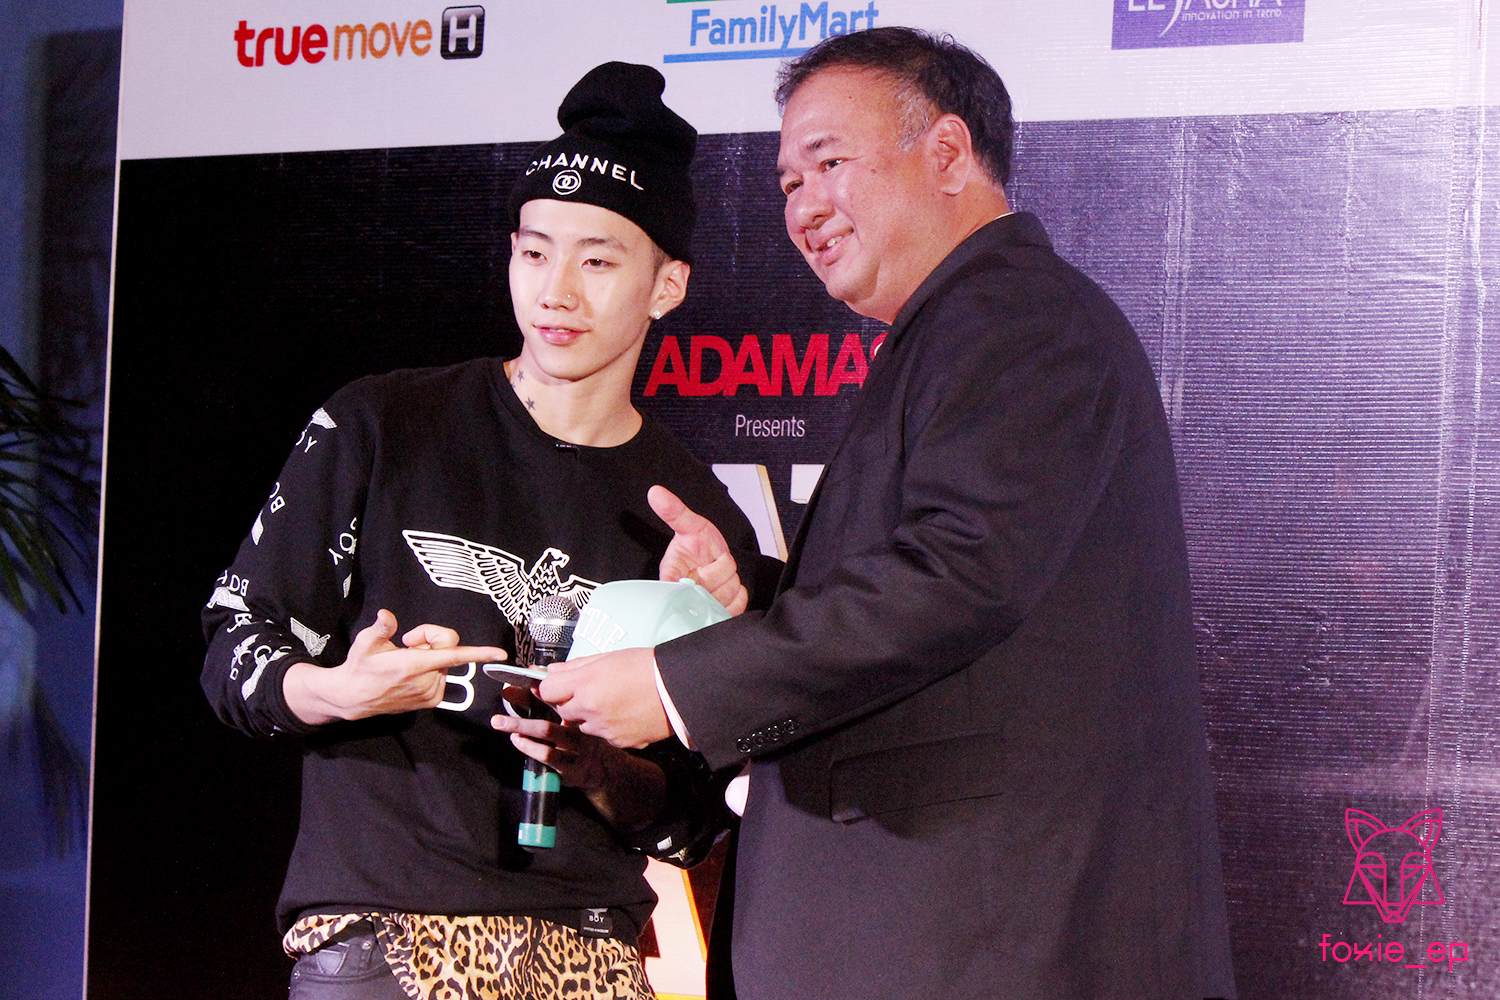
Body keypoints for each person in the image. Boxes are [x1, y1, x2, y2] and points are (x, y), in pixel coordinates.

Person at [539, 28, 1237, 1000]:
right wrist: (751, 599)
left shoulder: (1016, 317)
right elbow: (949, 602)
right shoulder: (957, 330)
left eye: (829, 162)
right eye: (789, 182)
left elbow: (958, 575)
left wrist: (674, 685)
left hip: (994, 948)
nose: (803, 206)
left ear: (946, 152)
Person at [201, 62, 758, 1000]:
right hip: (383, 934)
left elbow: (694, 822)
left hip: (591, 949)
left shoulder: (696, 524)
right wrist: (337, 691)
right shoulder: (381, 425)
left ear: (667, 285)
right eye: (535, 253)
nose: (557, 293)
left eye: (597, 261)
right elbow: (233, 645)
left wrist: (598, 766)